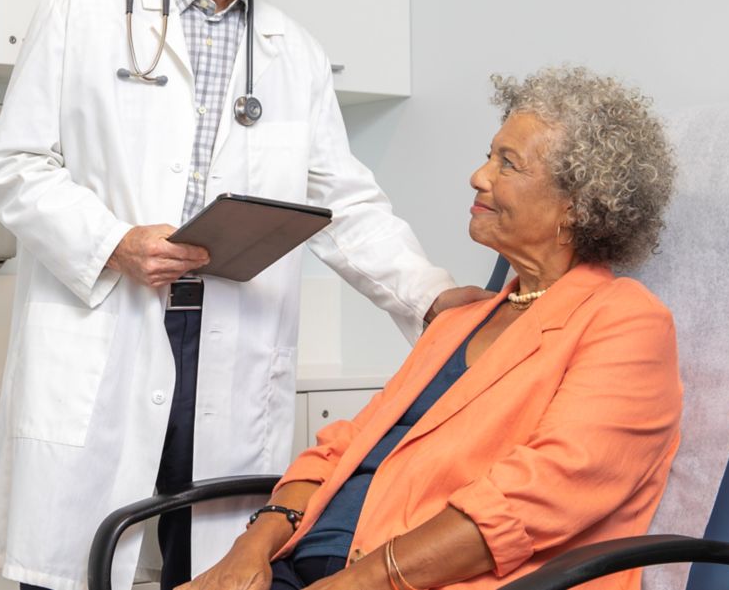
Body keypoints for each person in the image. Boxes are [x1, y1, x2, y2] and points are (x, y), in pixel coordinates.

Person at [0, 0, 484, 590]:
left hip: (228, 344)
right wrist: (115, 240)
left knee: (214, 570)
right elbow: (14, 166)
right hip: (110, 321)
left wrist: (430, 295)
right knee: (72, 572)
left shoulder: (295, 54)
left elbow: (342, 203)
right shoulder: (80, 12)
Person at [185, 65, 682, 590]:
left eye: (507, 164)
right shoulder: (460, 320)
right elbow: (342, 449)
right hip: (304, 565)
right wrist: (249, 550)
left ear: (575, 207)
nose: (479, 176)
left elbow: (541, 495)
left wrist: (362, 580)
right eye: (489, 155)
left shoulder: (625, 321)